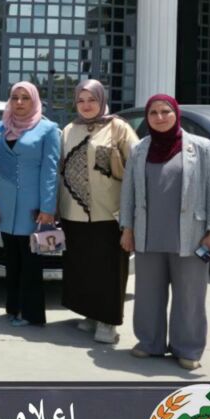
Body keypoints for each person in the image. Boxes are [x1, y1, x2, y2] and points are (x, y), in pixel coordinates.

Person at [120, 95, 210, 370]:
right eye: (153, 113)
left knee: (190, 295)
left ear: (176, 113)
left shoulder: (201, 148)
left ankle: (188, 348)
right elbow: (128, 192)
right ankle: (149, 342)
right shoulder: (139, 149)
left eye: (165, 111)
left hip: (191, 235)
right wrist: (127, 228)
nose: (159, 117)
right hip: (148, 233)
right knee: (147, 294)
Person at [58, 79, 139, 344]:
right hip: (73, 213)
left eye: (92, 99)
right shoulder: (69, 130)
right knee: (83, 267)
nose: (86, 105)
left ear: (102, 100)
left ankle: (108, 322)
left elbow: (137, 164)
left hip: (109, 213)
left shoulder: (118, 127)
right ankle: (90, 314)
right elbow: (59, 169)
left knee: (109, 270)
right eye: (81, 100)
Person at [0, 81, 59, 327]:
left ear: (34, 101)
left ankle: (31, 313)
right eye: (15, 97)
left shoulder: (48, 130)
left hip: (33, 208)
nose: (19, 102)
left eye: (25, 98)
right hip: (4, 207)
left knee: (31, 262)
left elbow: (50, 171)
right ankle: (13, 308)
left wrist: (48, 207)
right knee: (12, 261)